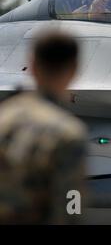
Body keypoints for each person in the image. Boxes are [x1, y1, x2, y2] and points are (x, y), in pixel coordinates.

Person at [0, 31, 87, 224]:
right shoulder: (67, 133)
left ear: (32, 65)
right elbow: (70, 208)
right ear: (74, 69)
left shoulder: (3, 118)